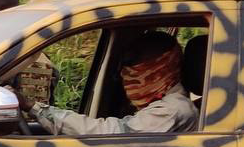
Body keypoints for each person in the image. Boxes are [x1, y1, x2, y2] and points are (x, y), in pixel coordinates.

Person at [20, 31, 195, 135]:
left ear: (161, 69)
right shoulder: (166, 105)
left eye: (136, 66)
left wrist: (31, 106)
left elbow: (105, 134)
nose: (124, 76)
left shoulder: (172, 110)